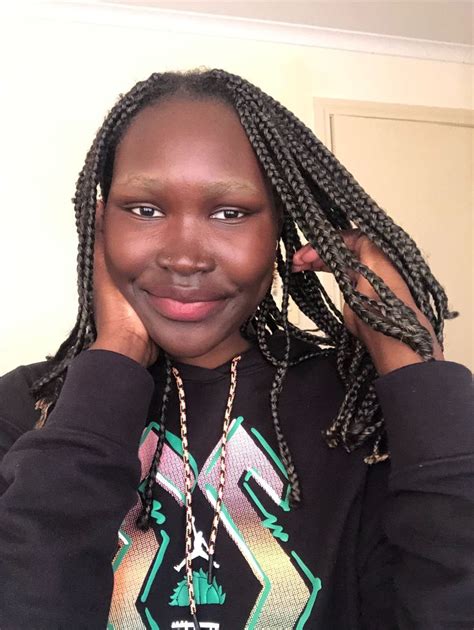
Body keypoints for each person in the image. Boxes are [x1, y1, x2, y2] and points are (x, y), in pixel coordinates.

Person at [0, 68, 472, 630]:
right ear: (101, 225)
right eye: (144, 210)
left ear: (279, 228)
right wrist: (115, 354)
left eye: (230, 213)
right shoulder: (30, 407)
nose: (184, 257)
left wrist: (410, 361)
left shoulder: (359, 411)